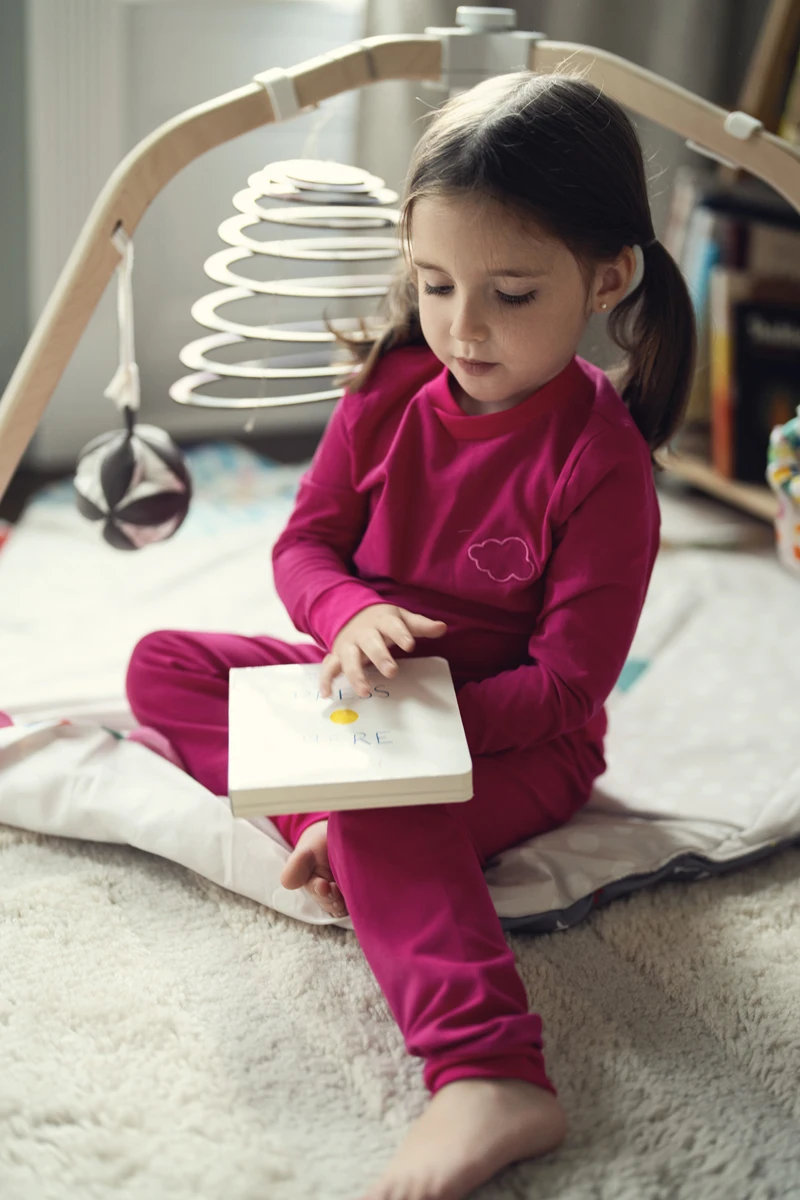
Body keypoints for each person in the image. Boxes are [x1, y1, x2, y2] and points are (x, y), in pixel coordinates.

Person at [125, 70, 695, 1200]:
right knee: (165, 670)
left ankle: (490, 1071)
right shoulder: (390, 386)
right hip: (364, 692)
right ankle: (342, 822)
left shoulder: (602, 462)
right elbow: (304, 551)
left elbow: (566, 693)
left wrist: (397, 755)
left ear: (605, 279)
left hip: (512, 742)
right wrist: (352, 616)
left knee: (384, 807)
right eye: (435, 285)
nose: (461, 327)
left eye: (510, 294)